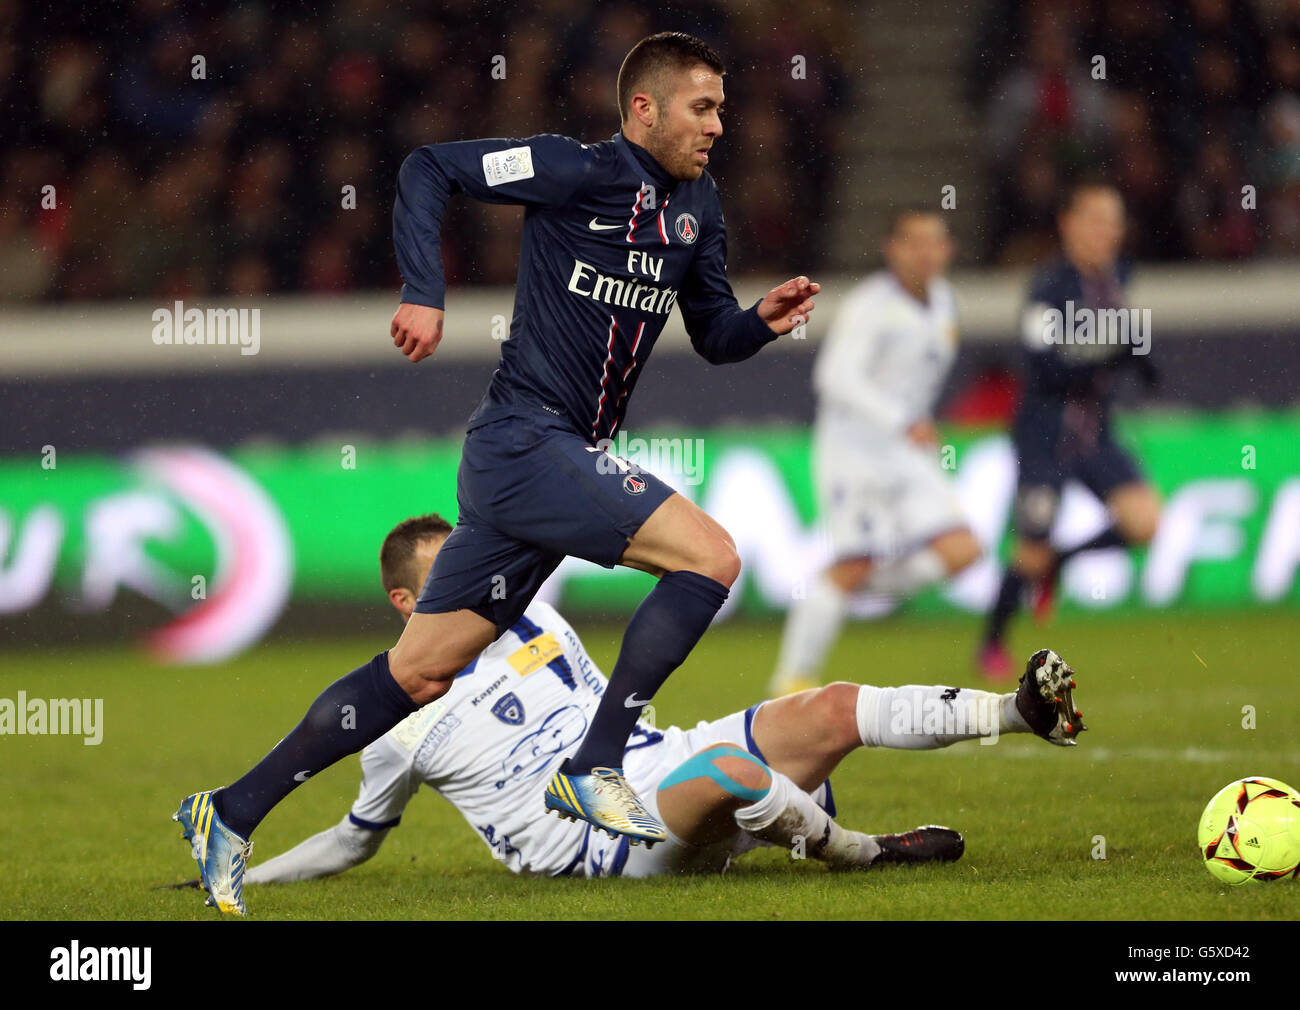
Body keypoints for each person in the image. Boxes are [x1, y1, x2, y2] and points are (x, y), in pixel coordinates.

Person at [174, 31, 821, 916]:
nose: (719, 124)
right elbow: (427, 168)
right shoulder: (571, 169)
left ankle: (231, 811)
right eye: (702, 107)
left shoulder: (697, 207)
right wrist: (423, 292)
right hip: (527, 442)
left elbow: (712, 334)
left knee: (421, 672)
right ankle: (595, 765)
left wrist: (762, 321)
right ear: (645, 108)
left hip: (542, 464)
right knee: (710, 558)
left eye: (721, 109)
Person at [215, 514, 1085, 893]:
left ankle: (1016, 714)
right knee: (731, 769)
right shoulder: (392, 719)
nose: (481, 579)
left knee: (829, 706)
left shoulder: (531, 612)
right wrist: (245, 867)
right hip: (603, 840)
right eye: (453, 575)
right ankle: (860, 854)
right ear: (408, 606)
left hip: (650, 769)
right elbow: (354, 844)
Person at [770, 209, 980, 697]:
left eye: (935, 242)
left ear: (948, 250)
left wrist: (915, 425)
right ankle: (791, 680)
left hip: (905, 452)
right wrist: (903, 420)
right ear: (892, 249)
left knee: (963, 551)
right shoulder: (870, 305)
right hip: (854, 451)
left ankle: (842, 592)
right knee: (853, 565)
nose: (925, 253)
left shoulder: (947, 302)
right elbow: (835, 377)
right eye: (913, 242)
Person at [978, 181, 1161, 679]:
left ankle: (1062, 562)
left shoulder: (1120, 275)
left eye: (1114, 222)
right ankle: (991, 642)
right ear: (1069, 224)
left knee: (1144, 521)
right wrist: (1112, 353)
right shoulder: (1049, 287)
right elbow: (1041, 367)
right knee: (1029, 550)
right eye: (1096, 220)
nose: (1107, 232)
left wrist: (1143, 362)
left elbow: (1125, 338)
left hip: (1096, 432)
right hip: (1044, 435)